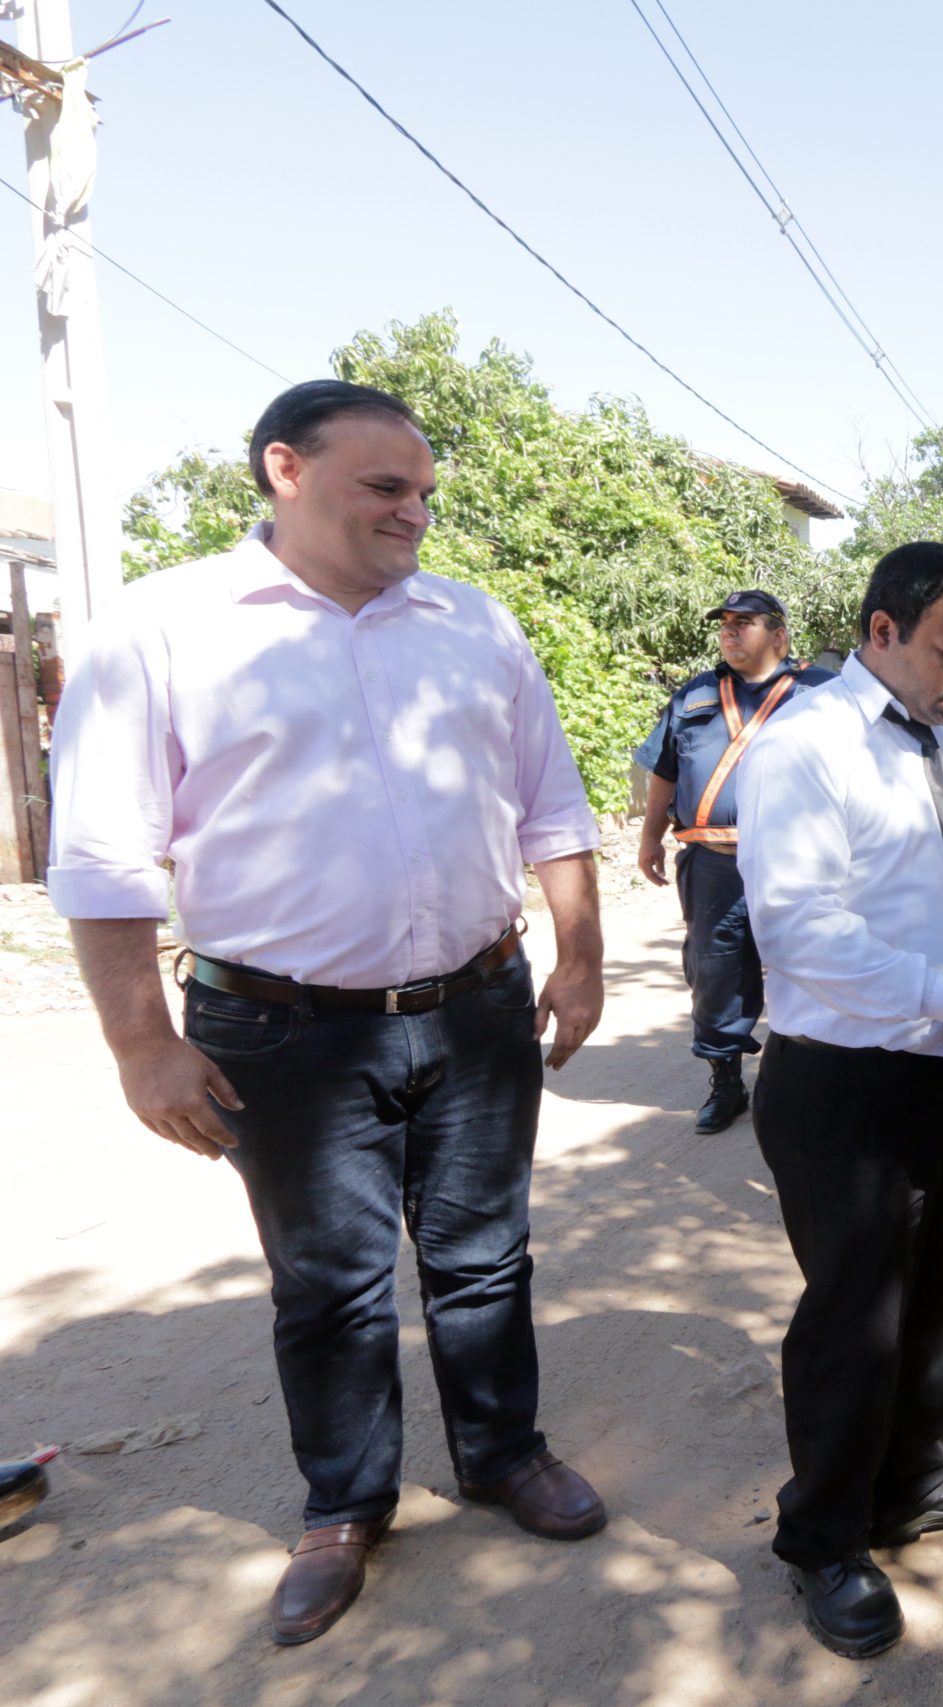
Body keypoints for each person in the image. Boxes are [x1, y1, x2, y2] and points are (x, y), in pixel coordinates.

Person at [47, 379, 609, 1646]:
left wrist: (580, 958)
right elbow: (104, 858)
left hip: (476, 1007)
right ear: (284, 470)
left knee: (486, 1255)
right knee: (329, 1283)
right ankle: (345, 1504)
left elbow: (551, 807)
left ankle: (502, 1454)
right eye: (385, 488)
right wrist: (141, 1044)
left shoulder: (474, 626)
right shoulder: (163, 630)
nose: (415, 513)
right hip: (280, 1029)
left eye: (424, 493)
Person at [736, 542, 943, 1660]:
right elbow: (799, 930)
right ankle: (824, 1537)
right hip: (844, 1083)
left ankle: (911, 1477)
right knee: (855, 1319)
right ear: (882, 632)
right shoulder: (806, 747)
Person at [634, 590, 836, 1133]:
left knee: (817, 961)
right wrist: (650, 839)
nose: (729, 631)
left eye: (743, 622)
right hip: (714, 863)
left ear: (779, 635)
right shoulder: (696, 694)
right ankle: (725, 1080)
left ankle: (821, 1074)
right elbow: (664, 771)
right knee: (716, 969)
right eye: (724, 623)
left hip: (801, 860)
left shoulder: (821, 691)